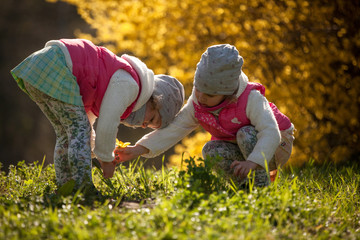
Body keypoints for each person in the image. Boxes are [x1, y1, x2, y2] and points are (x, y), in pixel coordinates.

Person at [10, 38, 185, 190]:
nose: (143, 125)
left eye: (148, 127)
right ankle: (83, 188)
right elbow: (107, 124)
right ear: (154, 100)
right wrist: (106, 159)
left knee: (67, 133)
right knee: (79, 131)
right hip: (58, 65)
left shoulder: (113, 82)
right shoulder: (130, 85)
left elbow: (89, 121)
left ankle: (65, 185)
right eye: (152, 119)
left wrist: (94, 148)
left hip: (39, 68)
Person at [117, 44, 295, 187]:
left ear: (228, 93)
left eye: (209, 95)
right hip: (242, 147)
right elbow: (175, 128)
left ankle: (260, 187)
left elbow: (271, 132)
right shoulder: (198, 104)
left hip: (277, 143)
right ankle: (241, 187)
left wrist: (253, 162)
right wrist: (138, 149)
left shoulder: (250, 99)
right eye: (199, 90)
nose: (201, 97)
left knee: (246, 133)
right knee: (211, 150)